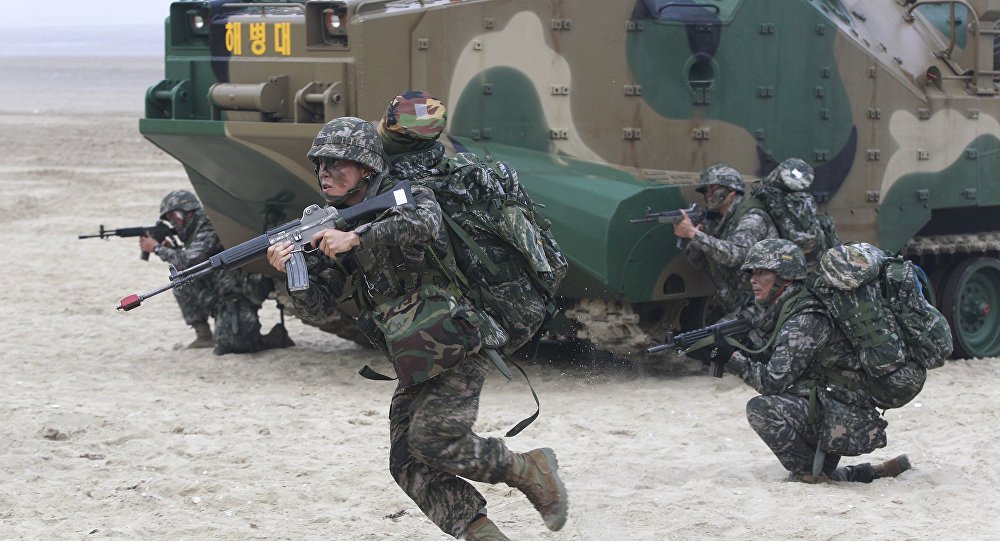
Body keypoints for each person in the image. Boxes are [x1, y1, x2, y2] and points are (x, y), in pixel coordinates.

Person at [265, 115, 568, 540]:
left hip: (460, 336)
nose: (325, 173)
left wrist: (356, 238)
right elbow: (317, 309)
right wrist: (294, 269)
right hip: (419, 350)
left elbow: (425, 222)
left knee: (434, 437)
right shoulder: (333, 225)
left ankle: (528, 468)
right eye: (320, 165)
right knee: (407, 461)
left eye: (339, 164)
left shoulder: (406, 196)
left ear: (368, 168)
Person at [686, 239, 911, 483]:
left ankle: (810, 474)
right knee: (812, 451)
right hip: (836, 407)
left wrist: (730, 357)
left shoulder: (802, 319)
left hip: (843, 417)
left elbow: (772, 382)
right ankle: (853, 473)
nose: (753, 279)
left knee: (761, 409)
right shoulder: (788, 308)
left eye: (762, 273)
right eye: (752, 272)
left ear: (785, 277)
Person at [139, 190, 294, 355]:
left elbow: (192, 260)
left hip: (240, 289)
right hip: (219, 288)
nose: (173, 222)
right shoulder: (194, 228)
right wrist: (172, 249)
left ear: (189, 212)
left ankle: (273, 338)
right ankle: (204, 336)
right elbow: (192, 261)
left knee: (232, 345)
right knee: (181, 282)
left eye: (174, 216)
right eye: (170, 219)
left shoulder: (208, 223)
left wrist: (156, 248)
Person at [673, 164, 778, 316]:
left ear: (731, 191)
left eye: (714, 189)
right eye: (705, 190)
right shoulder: (719, 220)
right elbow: (697, 262)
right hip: (740, 302)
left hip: (765, 303)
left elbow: (734, 255)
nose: (708, 195)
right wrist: (698, 237)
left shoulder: (752, 217)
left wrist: (693, 233)